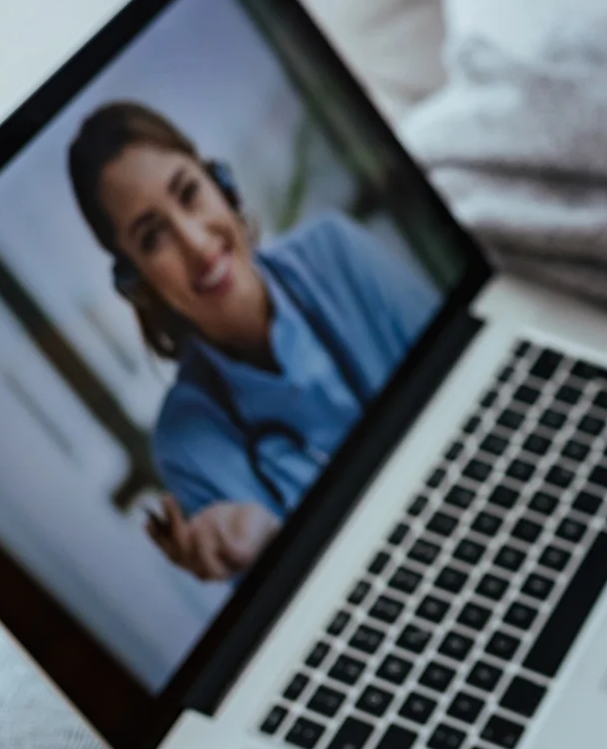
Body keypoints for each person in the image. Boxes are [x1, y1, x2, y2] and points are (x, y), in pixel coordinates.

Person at [67, 101, 441, 582]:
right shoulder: (187, 444)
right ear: (135, 281)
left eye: (189, 193)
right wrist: (268, 540)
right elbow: (301, 607)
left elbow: (466, 378)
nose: (199, 246)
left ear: (221, 186)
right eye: (153, 237)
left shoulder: (336, 252)